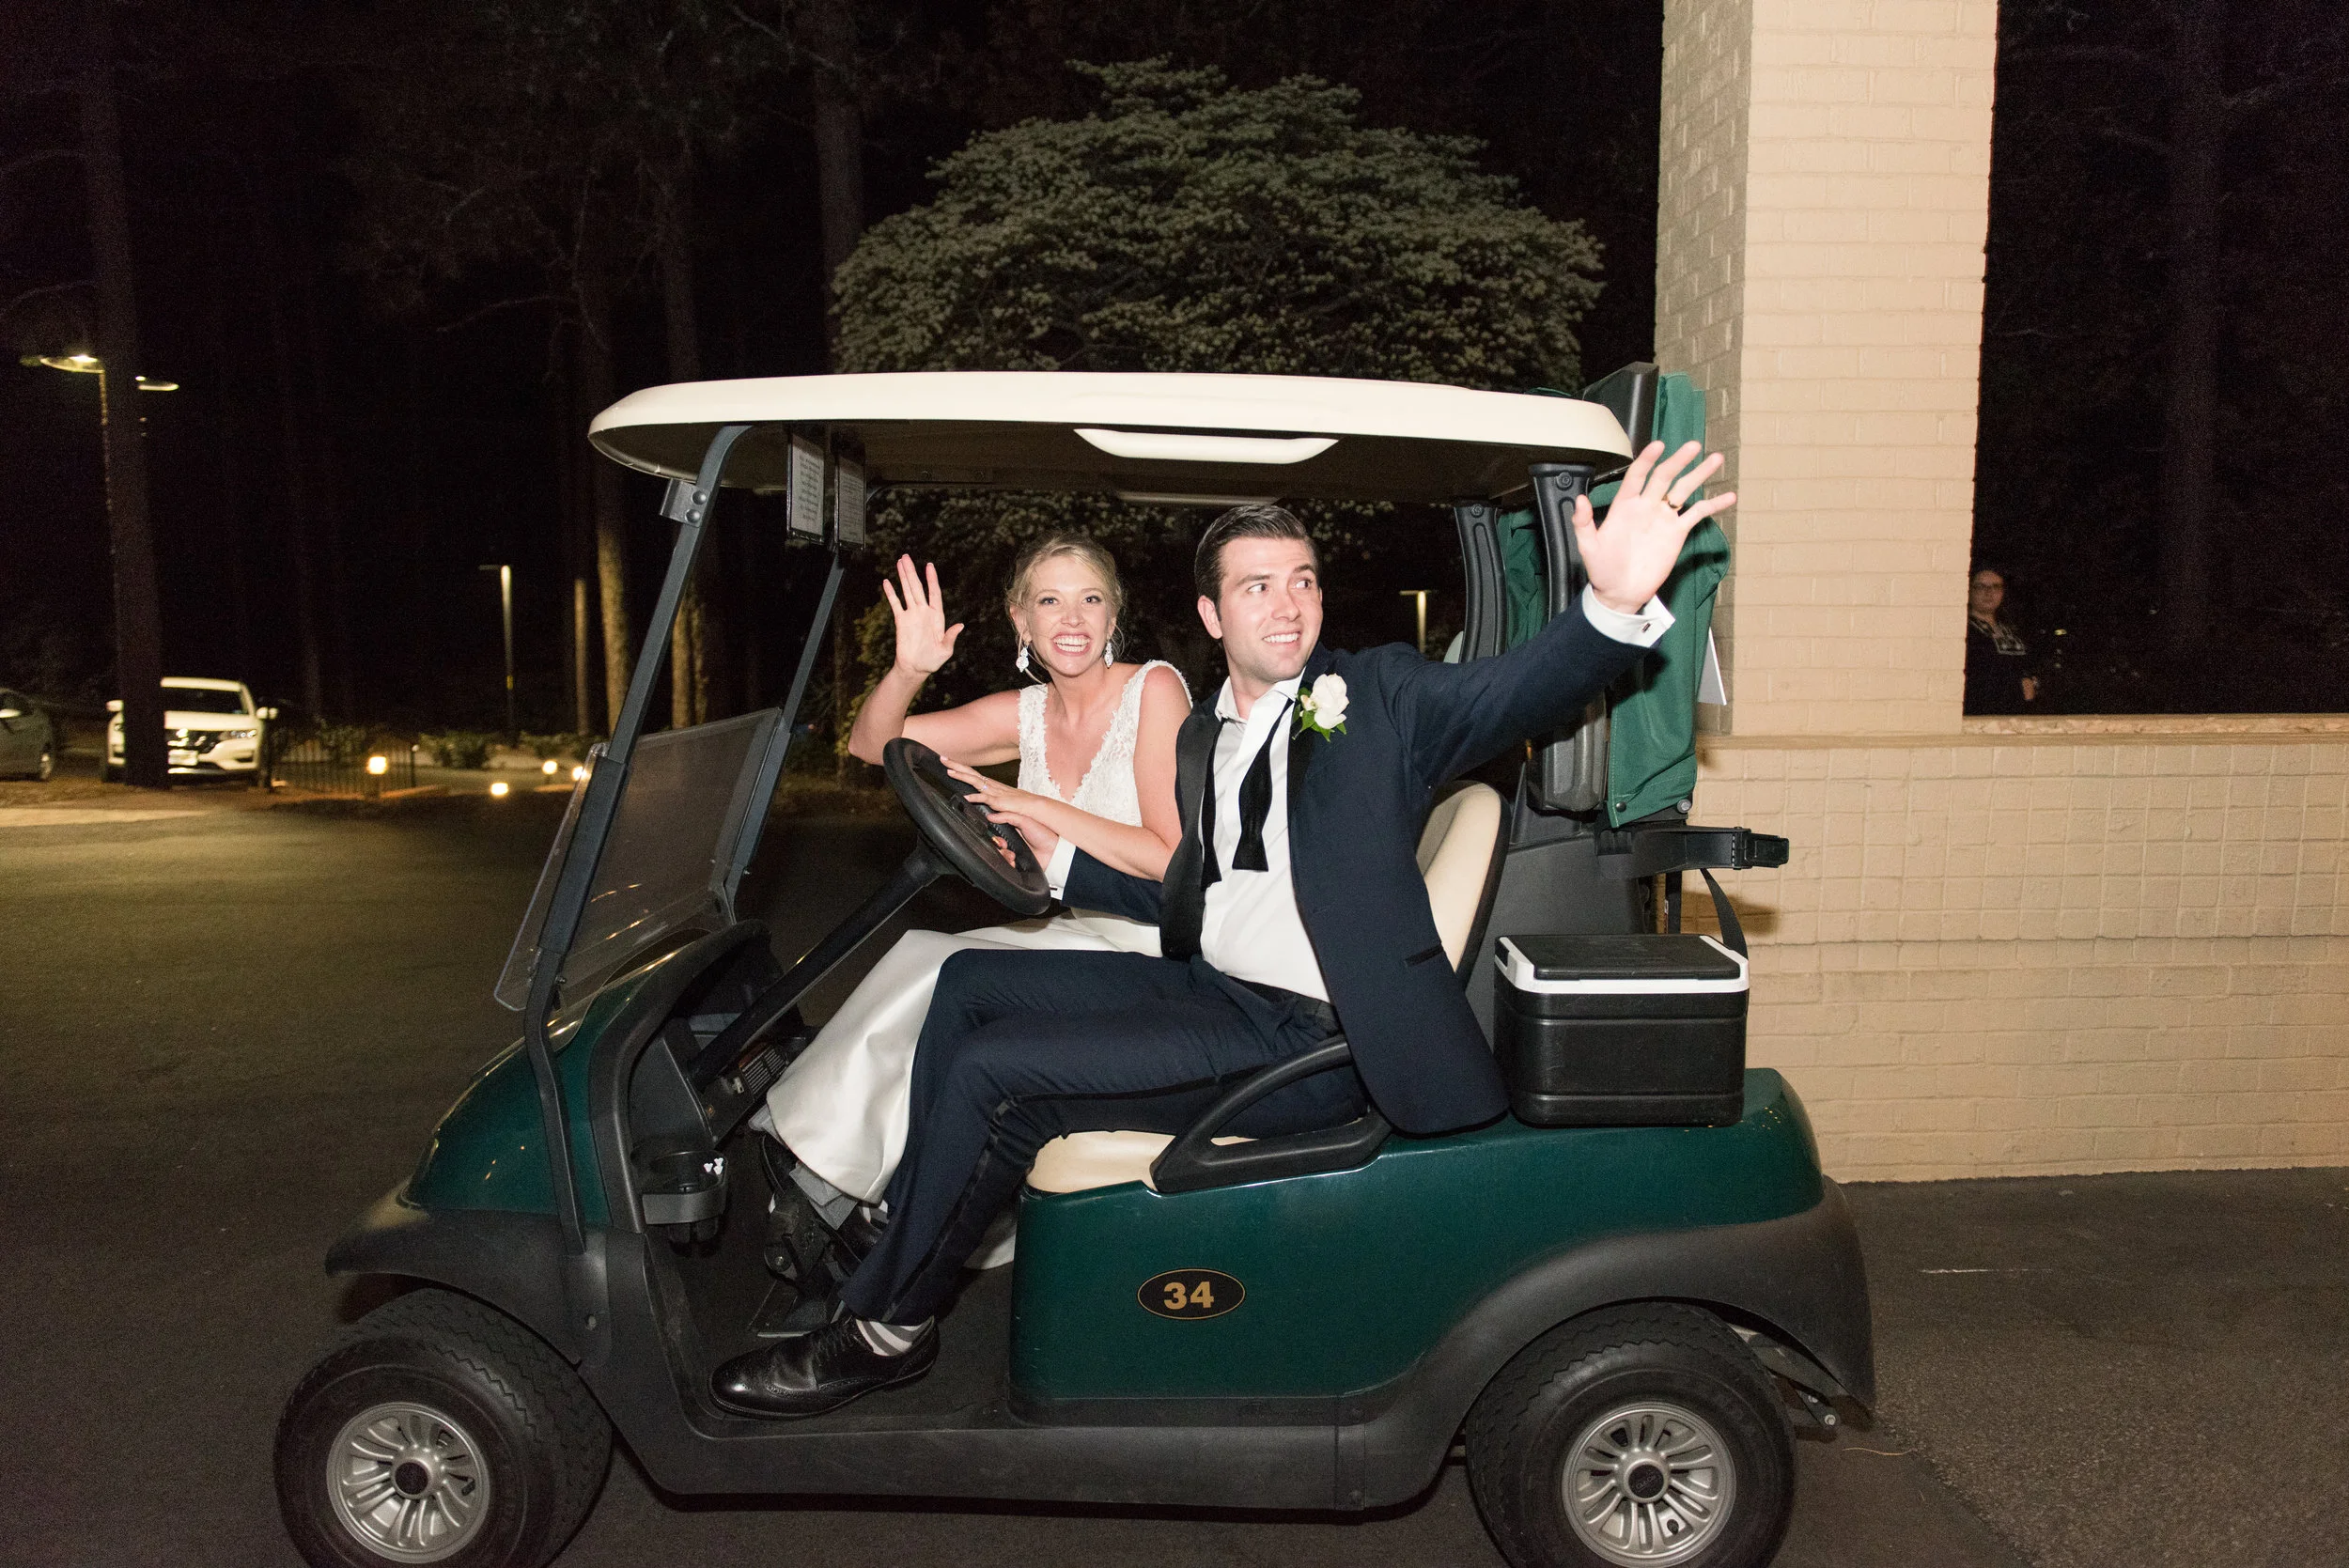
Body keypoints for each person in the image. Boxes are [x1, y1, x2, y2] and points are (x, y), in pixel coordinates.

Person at [712, 440, 1733, 1418]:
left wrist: (1609, 606)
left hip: (1314, 1041)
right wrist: (1042, 854)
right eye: (1257, 585)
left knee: (997, 1072)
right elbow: (1196, 891)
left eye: (1302, 580)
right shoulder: (1210, 734)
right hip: (1216, 988)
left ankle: (885, 1323)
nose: (1286, 604)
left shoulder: (1372, 696)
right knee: (969, 985)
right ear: (1210, 612)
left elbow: (1508, 693)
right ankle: (914, 1237)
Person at [753, 536, 1190, 1277]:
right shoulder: (1025, 712)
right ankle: (847, 1176)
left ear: (1115, 613)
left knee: (940, 962)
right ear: (1021, 621)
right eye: (1049, 600)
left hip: (1150, 946)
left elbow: (1168, 855)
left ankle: (872, 1195)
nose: (1072, 617)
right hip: (1071, 934)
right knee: (923, 951)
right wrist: (908, 671)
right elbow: (872, 745)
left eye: (1090, 598)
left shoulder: (1153, 691)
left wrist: (1031, 807)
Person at [1964, 567, 2040, 715]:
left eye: (1996, 587)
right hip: (1981, 713)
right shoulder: (1965, 631)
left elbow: (2032, 666)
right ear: (1969, 590)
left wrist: (2032, 683)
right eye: (1981, 586)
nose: (1989, 592)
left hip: (2019, 715)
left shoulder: (2013, 629)